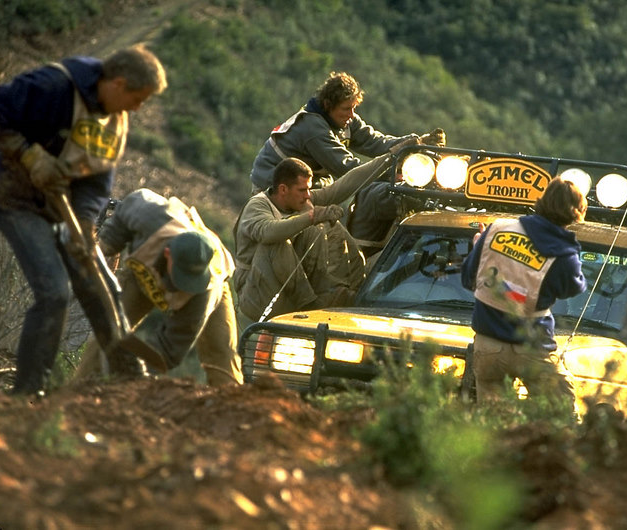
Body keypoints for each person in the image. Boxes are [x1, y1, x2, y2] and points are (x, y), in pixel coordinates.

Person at [0, 44, 167, 395]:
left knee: (100, 280)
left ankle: (126, 374)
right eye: (137, 98)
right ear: (117, 84)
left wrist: (87, 224)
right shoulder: (54, 86)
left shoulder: (115, 119)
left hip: (62, 206)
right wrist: (28, 154)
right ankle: (30, 391)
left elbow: (97, 181)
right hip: (13, 197)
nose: (138, 108)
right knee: (54, 291)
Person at [247, 71, 445, 250]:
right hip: (276, 190)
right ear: (328, 106)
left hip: (308, 186)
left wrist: (415, 144)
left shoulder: (346, 120)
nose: (351, 115)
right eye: (346, 109)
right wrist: (397, 172)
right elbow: (346, 168)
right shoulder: (312, 128)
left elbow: (375, 142)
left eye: (354, 108)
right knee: (316, 240)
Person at [73, 188, 244, 386]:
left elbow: (170, 350)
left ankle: (230, 412)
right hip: (145, 272)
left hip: (211, 287)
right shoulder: (150, 217)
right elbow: (130, 203)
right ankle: (75, 396)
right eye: (182, 276)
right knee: (107, 332)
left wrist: (135, 368)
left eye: (191, 279)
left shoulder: (204, 291)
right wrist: (108, 245)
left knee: (222, 357)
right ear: (168, 254)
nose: (183, 285)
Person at [234, 142, 414, 326]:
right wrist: (312, 216)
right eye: (302, 190)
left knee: (324, 227)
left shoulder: (300, 199)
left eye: (308, 190)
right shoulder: (258, 206)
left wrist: (390, 157)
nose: (307, 196)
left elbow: (345, 185)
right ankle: (310, 303)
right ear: (282, 189)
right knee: (279, 239)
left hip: (287, 288)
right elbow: (268, 233)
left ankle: (343, 288)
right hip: (256, 293)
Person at [461, 177, 588, 411]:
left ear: (542, 200)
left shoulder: (496, 229)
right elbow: (573, 287)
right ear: (578, 212)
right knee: (560, 412)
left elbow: (468, 277)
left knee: (494, 420)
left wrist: (479, 246)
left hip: (487, 346)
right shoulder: (563, 255)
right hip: (532, 348)